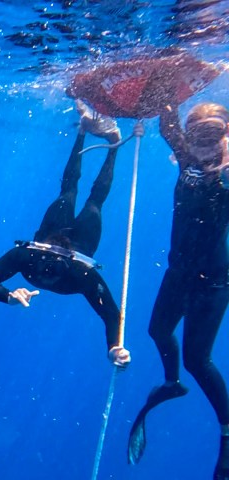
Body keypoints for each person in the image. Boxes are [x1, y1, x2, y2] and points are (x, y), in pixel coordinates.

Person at [0, 102, 131, 367]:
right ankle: (97, 137)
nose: (47, 273)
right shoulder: (28, 256)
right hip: (78, 240)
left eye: (51, 268)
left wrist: (113, 349)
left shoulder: (80, 273)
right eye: (46, 266)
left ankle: (99, 138)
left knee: (79, 196)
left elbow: (111, 314)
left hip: (74, 245)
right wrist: (8, 295)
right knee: (81, 198)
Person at [127, 102, 229, 479]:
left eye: (212, 133)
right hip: (178, 275)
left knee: (197, 360)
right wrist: (164, 85)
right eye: (197, 132)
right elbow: (166, 125)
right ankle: (171, 384)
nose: (203, 142)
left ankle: (227, 434)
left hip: (213, 282)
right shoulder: (186, 161)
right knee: (156, 331)